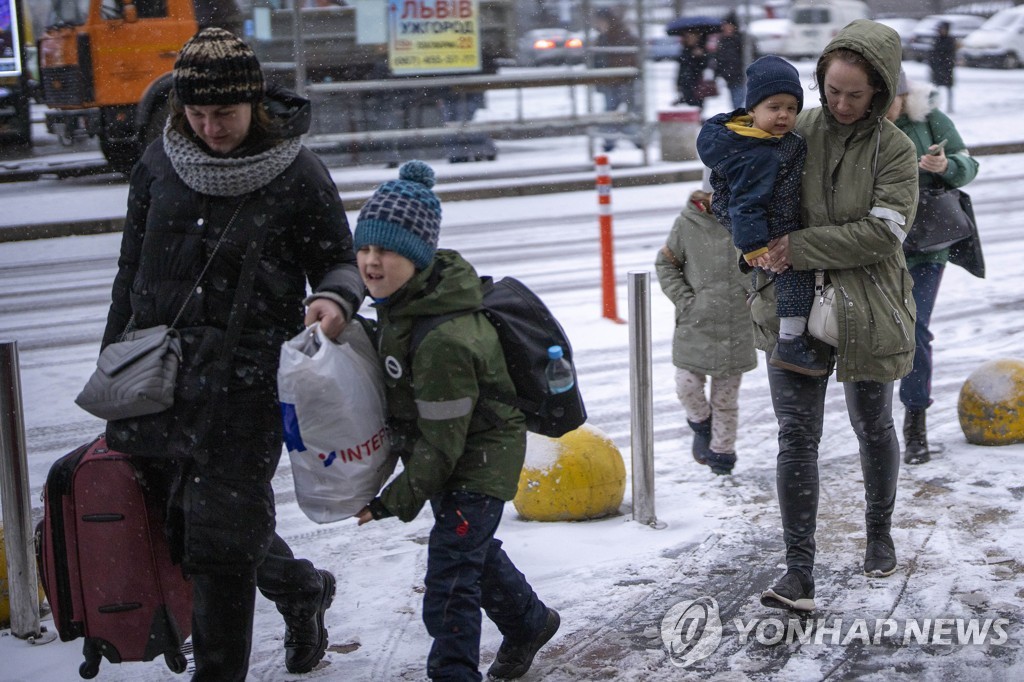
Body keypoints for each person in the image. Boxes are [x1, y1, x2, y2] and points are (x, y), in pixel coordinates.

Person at [100, 28, 364, 680]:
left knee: (218, 544)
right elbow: (130, 270)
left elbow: (338, 259)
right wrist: (111, 363)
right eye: (198, 114)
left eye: (225, 113)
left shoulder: (295, 173)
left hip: (246, 387)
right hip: (156, 379)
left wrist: (335, 297)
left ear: (254, 104)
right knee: (186, 520)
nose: (212, 128)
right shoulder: (159, 163)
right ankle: (301, 590)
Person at [353, 161, 560, 682]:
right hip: (452, 451)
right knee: (469, 550)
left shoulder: (444, 339)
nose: (371, 263)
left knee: (450, 576)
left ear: (419, 256)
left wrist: (390, 502)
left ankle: (453, 671)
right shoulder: (404, 303)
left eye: (387, 251)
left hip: (479, 459)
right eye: (365, 249)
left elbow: (444, 448)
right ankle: (529, 621)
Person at [749, 20, 919, 612]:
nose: (842, 104)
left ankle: (878, 531)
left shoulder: (895, 150)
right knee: (796, 437)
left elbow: (883, 232)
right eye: (833, 90)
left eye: (856, 93)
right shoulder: (798, 129)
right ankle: (799, 571)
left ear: (879, 91)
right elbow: (747, 180)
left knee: (872, 423)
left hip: (867, 309)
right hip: (790, 305)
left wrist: (799, 245)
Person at [697, 55, 827, 377]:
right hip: (773, 229)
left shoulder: (751, 139)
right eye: (774, 107)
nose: (784, 115)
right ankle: (790, 342)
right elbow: (745, 204)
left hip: (774, 223)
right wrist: (756, 246)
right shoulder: (759, 153)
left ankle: (789, 339)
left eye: (791, 108)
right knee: (795, 278)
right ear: (752, 110)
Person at [886, 68, 981, 465]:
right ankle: (876, 425)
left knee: (914, 329)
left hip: (926, 246)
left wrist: (945, 166)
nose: (882, 110)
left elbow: (967, 163)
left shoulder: (930, 120)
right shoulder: (861, 126)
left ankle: (915, 421)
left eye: (888, 101)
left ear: (904, 96)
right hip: (877, 249)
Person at [655, 177, 756, 475]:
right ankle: (700, 424)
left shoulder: (749, 218)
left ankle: (722, 455)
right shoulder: (687, 223)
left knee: (726, 400)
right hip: (696, 323)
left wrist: (753, 300)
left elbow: (763, 266)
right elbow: (666, 265)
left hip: (737, 325)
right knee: (687, 386)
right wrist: (687, 301)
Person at [593, 6, 640, 152]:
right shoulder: (604, 37)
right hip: (611, 80)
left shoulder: (617, 36)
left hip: (621, 80)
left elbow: (627, 57)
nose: (598, 24)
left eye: (600, 21)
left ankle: (631, 137)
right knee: (613, 110)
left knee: (622, 109)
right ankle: (613, 139)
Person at [715, 14, 746, 110]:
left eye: (727, 25)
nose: (725, 28)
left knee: (739, 103)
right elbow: (720, 59)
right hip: (730, 78)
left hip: (740, 77)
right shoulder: (723, 41)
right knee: (735, 103)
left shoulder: (740, 40)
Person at [675, 30, 710, 113]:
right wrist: (678, 83)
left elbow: (705, 66)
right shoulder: (684, 50)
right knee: (687, 106)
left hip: (697, 83)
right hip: (685, 82)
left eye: (692, 36)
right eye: (688, 36)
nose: (690, 39)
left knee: (697, 106)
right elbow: (681, 68)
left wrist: (700, 56)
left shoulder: (701, 50)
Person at [929, 21, 957, 113]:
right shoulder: (937, 39)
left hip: (946, 68)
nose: (941, 31)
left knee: (948, 88)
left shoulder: (950, 40)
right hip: (937, 67)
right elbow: (933, 53)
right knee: (935, 88)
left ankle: (950, 106)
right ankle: (934, 106)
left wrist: (948, 64)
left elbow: (951, 54)